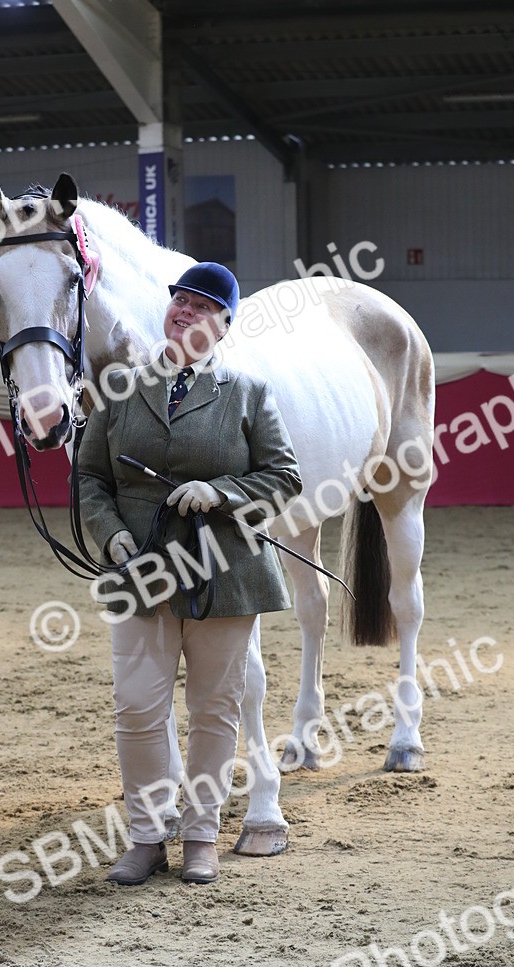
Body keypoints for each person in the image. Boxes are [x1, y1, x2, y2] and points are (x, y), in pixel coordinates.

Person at [78, 262, 302, 886]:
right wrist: (112, 533)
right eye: (180, 301)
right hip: (140, 569)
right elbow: (89, 477)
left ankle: (202, 833)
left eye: (203, 306)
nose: (185, 311)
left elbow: (284, 478)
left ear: (225, 326)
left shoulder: (248, 393)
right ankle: (148, 836)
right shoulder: (121, 388)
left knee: (214, 708)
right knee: (137, 707)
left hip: (223, 571)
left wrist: (221, 490)